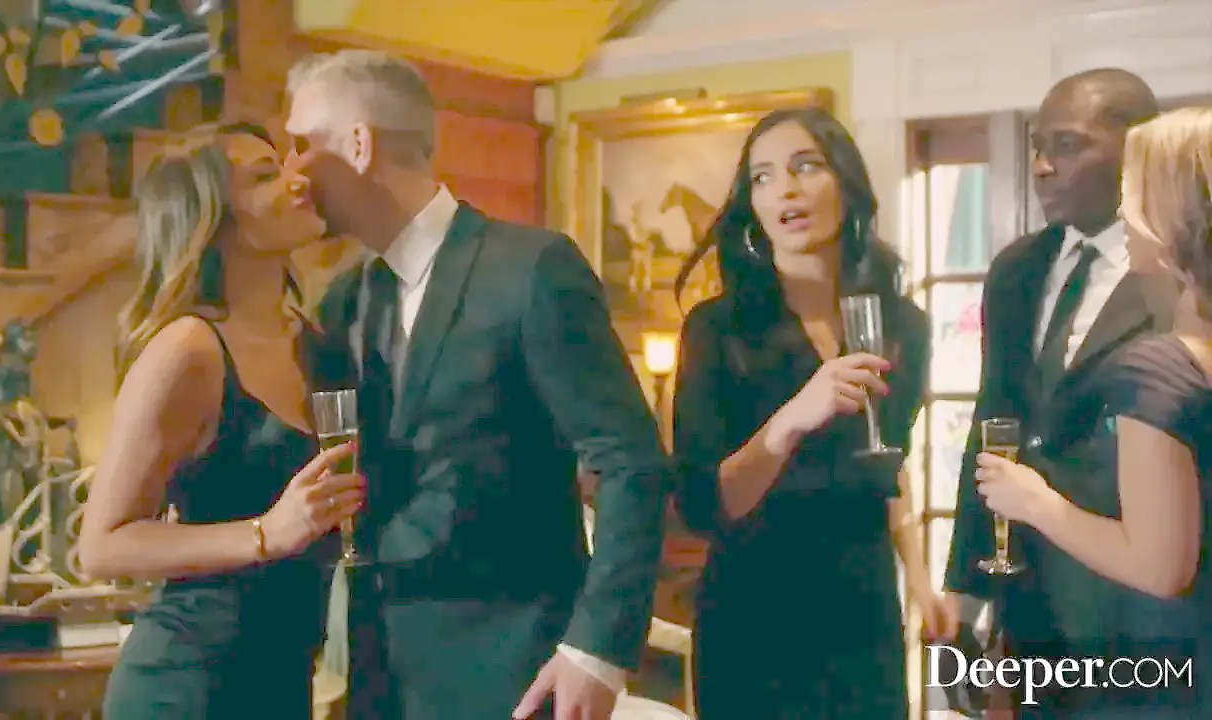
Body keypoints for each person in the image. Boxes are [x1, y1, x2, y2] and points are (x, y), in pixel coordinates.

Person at [283, 50, 670, 720]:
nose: (292, 172)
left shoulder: (531, 270)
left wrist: (597, 650)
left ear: (358, 144)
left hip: (518, 671)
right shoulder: (341, 299)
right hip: (382, 677)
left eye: (300, 145)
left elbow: (630, 461)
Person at [669, 105, 949, 718]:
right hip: (755, 613)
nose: (786, 189)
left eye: (806, 166)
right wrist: (792, 419)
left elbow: (885, 464)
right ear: (752, 203)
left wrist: (919, 578)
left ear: (846, 184)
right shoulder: (717, 329)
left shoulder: (903, 325)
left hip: (863, 607)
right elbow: (706, 506)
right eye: (763, 176)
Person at [81, 123, 366, 719]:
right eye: (266, 176)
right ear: (214, 221)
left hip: (281, 682)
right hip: (185, 685)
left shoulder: (316, 342)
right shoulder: (189, 349)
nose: (297, 180)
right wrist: (266, 532)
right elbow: (102, 545)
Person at [942, 69, 1174, 714]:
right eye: (1037, 147)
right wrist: (966, 592)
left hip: (1146, 613)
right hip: (1032, 612)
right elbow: (992, 425)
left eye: (1067, 145)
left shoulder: (1182, 269)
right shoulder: (1016, 269)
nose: (1042, 167)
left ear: (1136, 147)